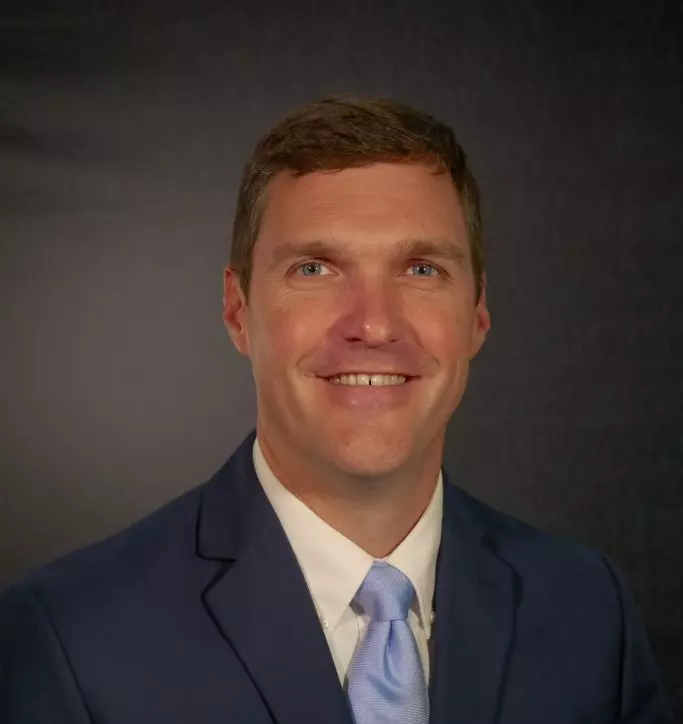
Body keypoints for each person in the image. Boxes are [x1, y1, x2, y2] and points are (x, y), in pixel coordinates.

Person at [0, 96, 673, 724]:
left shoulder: (590, 611)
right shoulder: (69, 637)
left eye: (421, 269)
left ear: (477, 315)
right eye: (315, 269)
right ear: (238, 312)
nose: (374, 325)